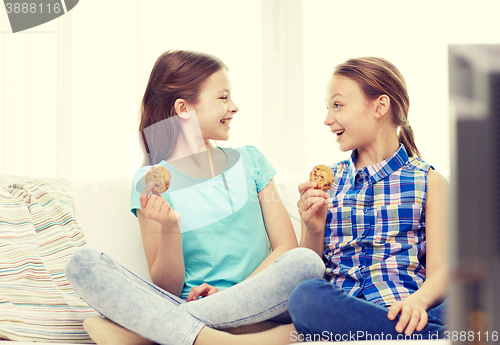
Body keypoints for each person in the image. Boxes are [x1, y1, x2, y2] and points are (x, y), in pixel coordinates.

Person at [64, 50, 325, 345]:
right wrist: (170, 229)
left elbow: (286, 248)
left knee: (306, 263)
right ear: (184, 109)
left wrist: (230, 296)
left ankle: (159, 331)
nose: (234, 106)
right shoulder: (149, 182)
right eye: (223, 98)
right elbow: (167, 286)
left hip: (260, 301)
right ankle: (224, 339)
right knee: (82, 264)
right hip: (189, 298)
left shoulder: (251, 160)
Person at [287, 56, 449, 341]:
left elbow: (440, 271)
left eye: (337, 105)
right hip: (343, 307)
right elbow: (310, 269)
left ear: (380, 106)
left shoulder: (430, 182)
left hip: (406, 305)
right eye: (327, 108)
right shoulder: (328, 184)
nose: (327, 120)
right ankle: (425, 337)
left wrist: (418, 302)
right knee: (305, 296)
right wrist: (312, 227)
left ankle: (407, 332)